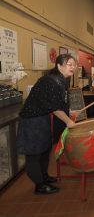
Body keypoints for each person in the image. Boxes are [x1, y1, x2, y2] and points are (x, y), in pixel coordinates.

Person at [16, 54, 77, 195]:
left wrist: (72, 113)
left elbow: (60, 103)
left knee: (44, 150)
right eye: (69, 64)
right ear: (59, 66)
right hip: (31, 121)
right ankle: (39, 185)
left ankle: (44, 177)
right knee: (34, 153)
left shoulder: (61, 80)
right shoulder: (51, 81)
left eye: (74, 64)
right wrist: (68, 122)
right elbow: (55, 108)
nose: (73, 67)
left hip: (42, 118)